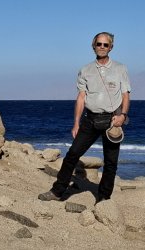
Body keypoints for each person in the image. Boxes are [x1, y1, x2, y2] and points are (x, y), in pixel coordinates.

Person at [39, 31, 131, 203]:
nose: (102, 47)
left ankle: (103, 199)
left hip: (112, 121)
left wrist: (123, 116)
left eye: (105, 44)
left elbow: (125, 94)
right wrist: (76, 123)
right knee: (72, 155)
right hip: (90, 120)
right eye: (99, 44)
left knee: (110, 163)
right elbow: (81, 97)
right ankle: (57, 191)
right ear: (93, 46)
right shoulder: (85, 70)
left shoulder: (120, 68)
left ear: (111, 47)